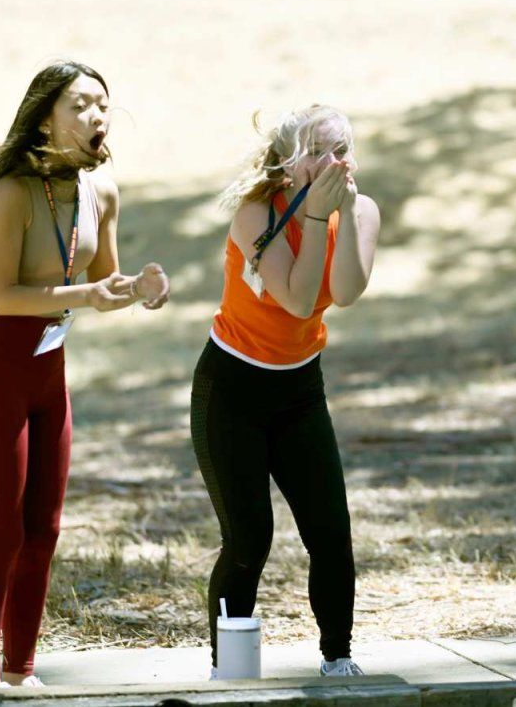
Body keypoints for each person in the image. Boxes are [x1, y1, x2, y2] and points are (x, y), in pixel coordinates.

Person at [0, 61, 170, 687]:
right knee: (1, 530)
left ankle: (20, 673)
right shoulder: (14, 192)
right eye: (79, 104)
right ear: (44, 118)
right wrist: (87, 296)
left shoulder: (103, 192)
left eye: (103, 103)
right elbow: (2, 295)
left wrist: (140, 290)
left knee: (43, 529)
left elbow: (105, 283)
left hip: (49, 370)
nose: (97, 114)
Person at [190, 105, 380, 678]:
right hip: (232, 387)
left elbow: (344, 292)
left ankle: (338, 658)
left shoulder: (361, 210)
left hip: (300, 390)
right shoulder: (256, 213)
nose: (332, 162)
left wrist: (342, 215)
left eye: (341, 150)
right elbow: (297, 299)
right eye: (317, 152)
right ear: (287, 162)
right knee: (250, 539)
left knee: (331, 532)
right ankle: (229, 669)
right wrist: (316, 218)